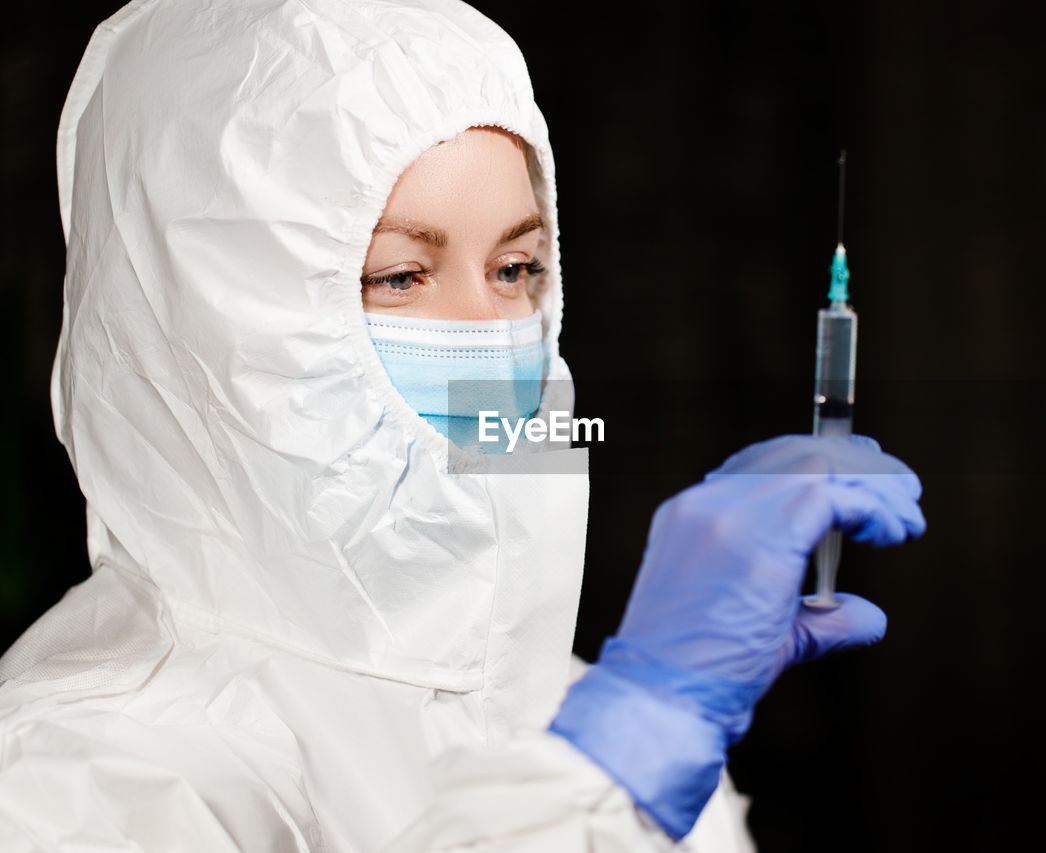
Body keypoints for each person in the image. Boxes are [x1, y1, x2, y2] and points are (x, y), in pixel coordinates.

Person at [0, 0, 926, 849]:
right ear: (208, 317)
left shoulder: (571, 708)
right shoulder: (80, 778)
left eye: (517, 268)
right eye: (401, 276)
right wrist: (618, 760)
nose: (495, 341)